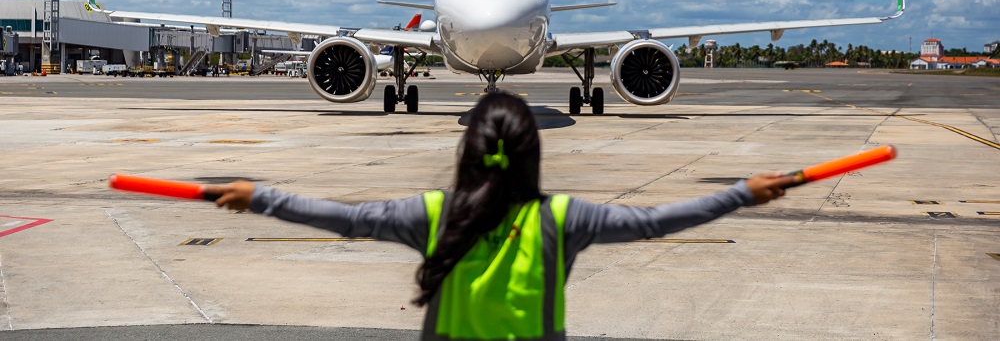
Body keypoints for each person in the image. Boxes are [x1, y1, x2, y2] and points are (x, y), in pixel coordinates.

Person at [209, 92, 795, 340]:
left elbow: (346, 218)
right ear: (533, 153)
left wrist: (260, 197)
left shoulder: (432, 213)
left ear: (466, 150)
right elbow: (656, 221)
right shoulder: (564, 218)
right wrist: (741, 191)